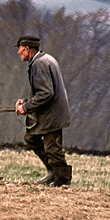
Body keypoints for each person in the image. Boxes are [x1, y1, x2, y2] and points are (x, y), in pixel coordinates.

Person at [15, 36, 72, 187]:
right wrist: (26, 102)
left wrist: (25, 108)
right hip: (50, 113)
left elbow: (46, 93)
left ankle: (62, 180)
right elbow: (44, 91)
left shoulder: (39, 63)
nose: (18, 52)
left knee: (52, 148)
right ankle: (52, 171)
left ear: (27, 49)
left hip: (52, 115)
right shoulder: (45, 59)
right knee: (31, 138)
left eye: (19, 48)